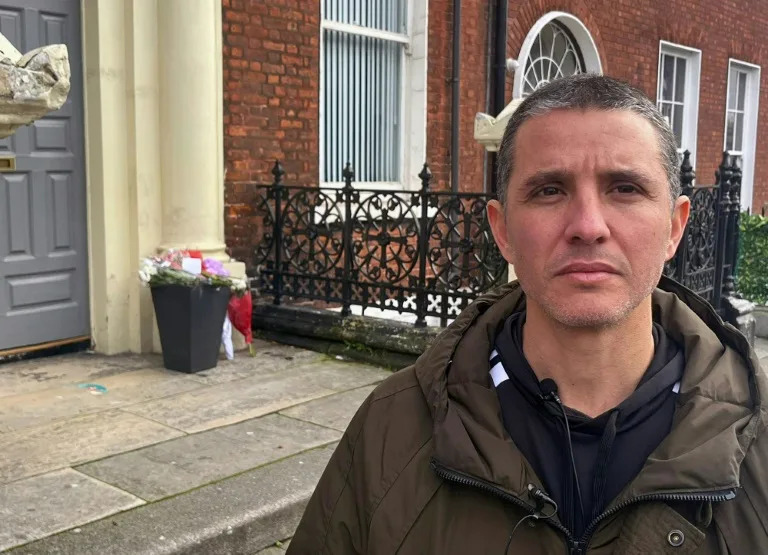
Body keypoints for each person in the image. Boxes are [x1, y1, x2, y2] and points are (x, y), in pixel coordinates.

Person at [287, 74, 768, 554]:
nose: (587, 226)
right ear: (503, 232)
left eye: (624, 188)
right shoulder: (392, 428)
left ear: (674, 227)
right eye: (549, 191)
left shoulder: (757, 442)